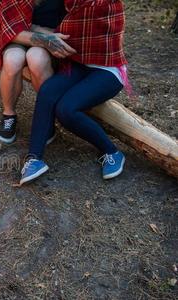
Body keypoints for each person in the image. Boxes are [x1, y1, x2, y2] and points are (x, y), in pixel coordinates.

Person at [20, 0, 129, 184]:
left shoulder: (104, 3)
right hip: (80, 64)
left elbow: (75, 30)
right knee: (47, 91)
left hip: (108, 69)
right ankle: (34, 158)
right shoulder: (71, 5)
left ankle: (112, 152)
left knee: (66, 109)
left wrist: (38, 31)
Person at [0, 0, 76, 144]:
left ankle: (46, 116)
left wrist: (47, 34)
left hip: (54, 36)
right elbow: (11, 31)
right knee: (12, 61)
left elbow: (74, 23)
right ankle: (9, 115)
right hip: (21, 35)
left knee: (37, 60)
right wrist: (43, 35)